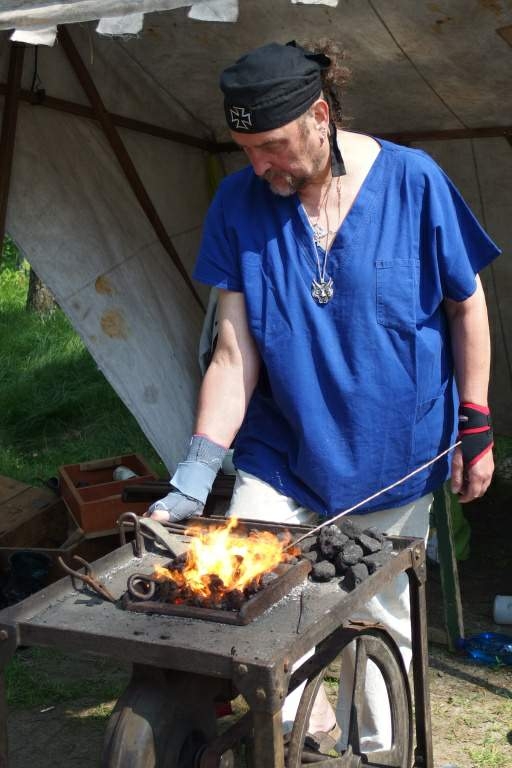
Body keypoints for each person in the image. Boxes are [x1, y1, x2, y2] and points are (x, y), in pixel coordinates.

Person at [148, 41, 500, 754]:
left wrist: (476, 422)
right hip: (282, 453)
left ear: (319, 115)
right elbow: (233, 353)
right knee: (252, 602)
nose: (259, 166)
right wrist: (195, 470)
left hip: (393, 455)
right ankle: (295, 739)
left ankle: (381, 750)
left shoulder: (414, 182)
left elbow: (467, 305)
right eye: (246, 150)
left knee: (379, 622)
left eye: (271, 146)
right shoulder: (238, 202)